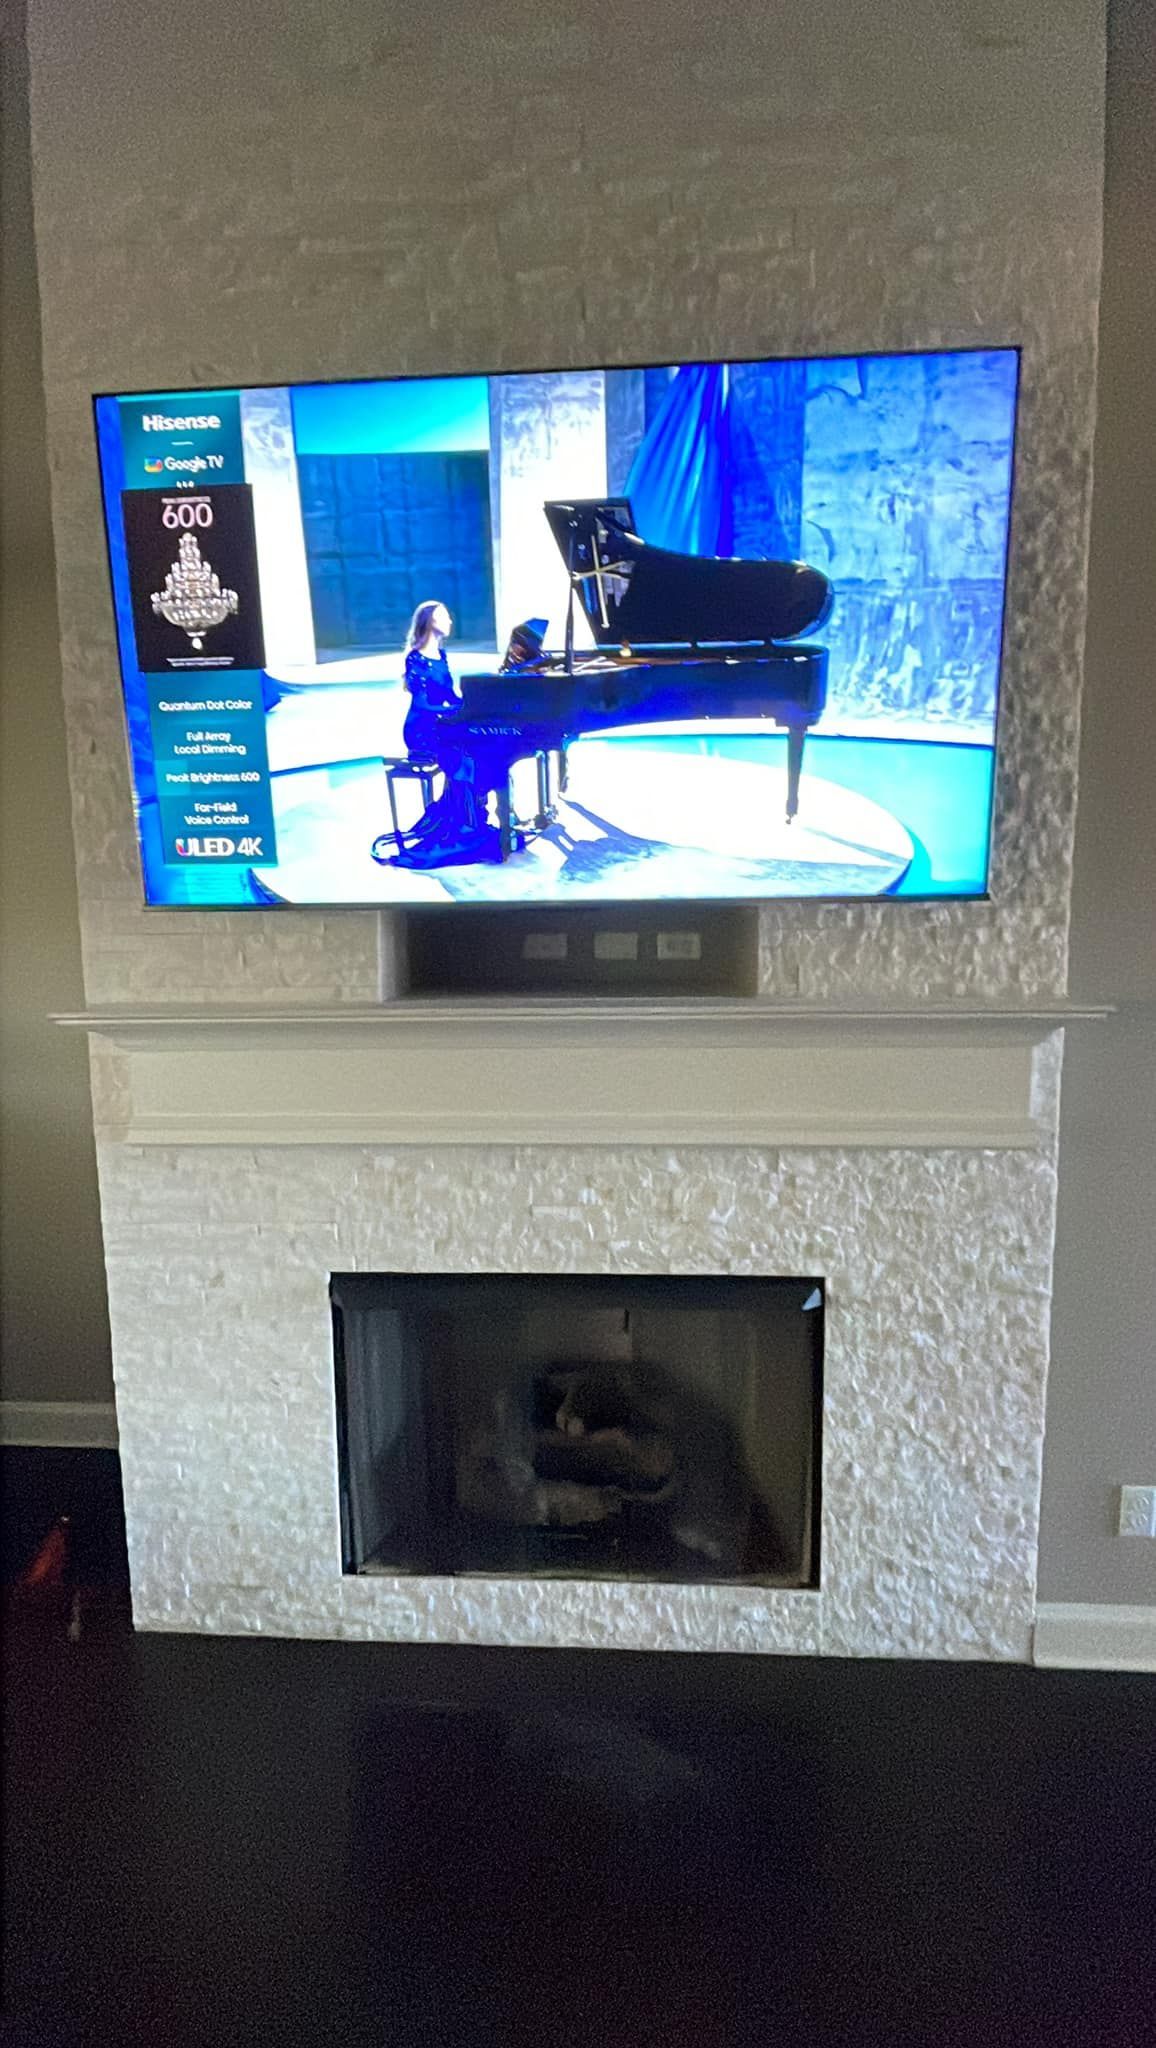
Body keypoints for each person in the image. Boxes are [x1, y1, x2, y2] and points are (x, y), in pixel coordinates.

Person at [377, 599, 523, 869]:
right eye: (444, 616)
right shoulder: (416, 658)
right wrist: (455, 708)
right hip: (422, 730)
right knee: (463, 757)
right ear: (431, 621)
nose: (450, 621)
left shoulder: (442, 656)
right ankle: (467, 827)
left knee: (483, 751)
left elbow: (451, 696)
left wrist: (471, 705)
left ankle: (474, 819)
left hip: (442, 725)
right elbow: (422, 704)